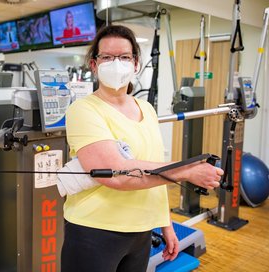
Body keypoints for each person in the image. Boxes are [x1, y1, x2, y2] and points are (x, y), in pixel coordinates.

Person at [61, 25, 223, 272]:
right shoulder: (83, 110)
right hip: (94, 231)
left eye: (124, 57)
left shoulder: (146, 108)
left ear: (135, 63)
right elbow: (115, 172)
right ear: (94, 65)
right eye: (107, 57)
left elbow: (152, 166)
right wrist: (187, 171)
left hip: (141, 232)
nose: (116, 64)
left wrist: (165, 224)